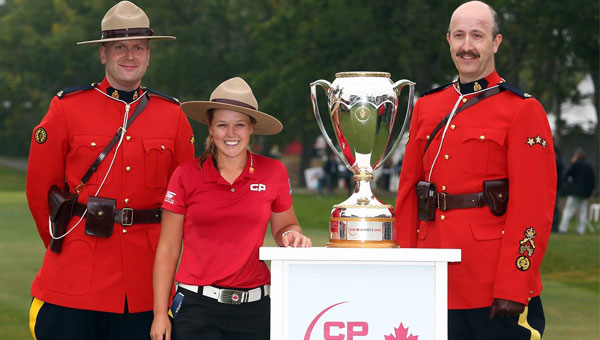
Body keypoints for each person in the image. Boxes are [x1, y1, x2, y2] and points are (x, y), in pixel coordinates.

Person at [25, 2, 195, 339]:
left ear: (148, 55)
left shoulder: (172, 115)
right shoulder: (66, 108)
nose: (129, 55)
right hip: (76, 272)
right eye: (119, 47)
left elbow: (186, 200)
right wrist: (66, 241)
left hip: (147, 284)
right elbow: (39, 191)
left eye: (138, 48)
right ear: (103, 54)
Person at [395, 1, 555, 339]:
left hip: (490, 283)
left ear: (495, 43)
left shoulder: (522, 109)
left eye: (477, 36)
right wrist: (404, 268)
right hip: (432, 275)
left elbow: (533, 207)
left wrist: (515, 283)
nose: (467, 46)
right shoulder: (427, 106)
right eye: (459, 36)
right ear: (449, 41)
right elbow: (409, 194)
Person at [150, 77, 312, 340]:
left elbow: (286, 226)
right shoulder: (185, 175)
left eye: (239, 125)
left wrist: (290, 235)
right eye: (222, 125)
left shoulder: (274, 172)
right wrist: (159, 314)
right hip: (197, 307)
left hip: (256, 309)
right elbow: (168, 249)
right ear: (211, 129)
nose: (231, 133)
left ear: (251, 129)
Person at [557, 148, 596, 234]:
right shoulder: (589, 166)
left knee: (568, 210)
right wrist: (590, 193)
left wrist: (572, 162)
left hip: (575, 192)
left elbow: (566, 175)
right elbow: (592, 181)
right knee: (582, 212)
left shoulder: (575, 164)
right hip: (585, 194)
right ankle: (581, 230)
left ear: (577, 155)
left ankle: (563, 228)